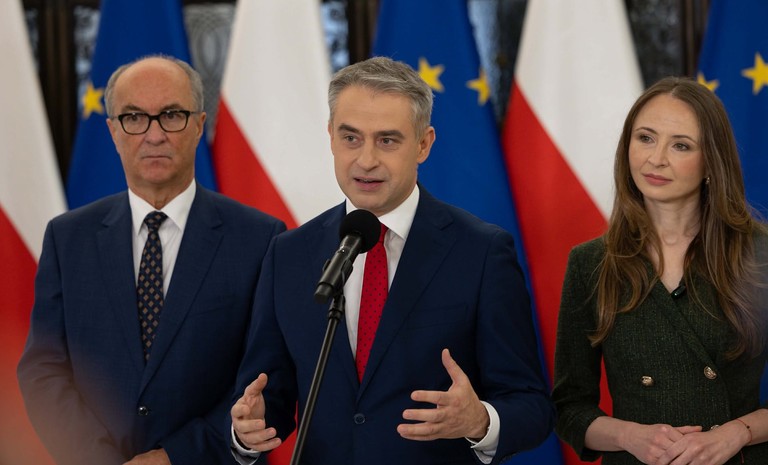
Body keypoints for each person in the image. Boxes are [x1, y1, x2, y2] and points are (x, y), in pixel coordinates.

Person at [229, 56, 554, 465]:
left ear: (423, 144)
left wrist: (480, 421)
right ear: (330, 137)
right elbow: (267, 395)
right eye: (351, 138)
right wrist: (248, 428)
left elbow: (530, 406)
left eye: (387, 141)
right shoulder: (289, 253)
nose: (366, 160)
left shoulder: (482, 252)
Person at [17, 55, 286, 465]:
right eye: (134, 118)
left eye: (172, 115)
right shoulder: (67, 237)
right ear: (113, 131)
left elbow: (268, 377)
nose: (154, 135)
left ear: (199, 125)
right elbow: (43, 370)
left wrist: (174, 457)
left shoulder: (260, 238)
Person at [552, 76, 768, 465]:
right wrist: (630, 436)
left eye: (680, 145)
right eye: (645, 138)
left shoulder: (760, 253)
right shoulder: (590, 263)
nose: (656, 159)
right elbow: (569, 408)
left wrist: (737, 433)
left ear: (711, 162)